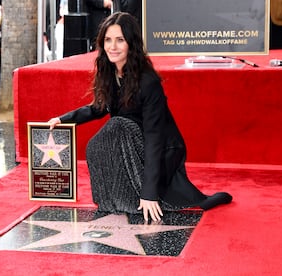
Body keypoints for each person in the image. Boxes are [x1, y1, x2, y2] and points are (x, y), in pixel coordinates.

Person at [47, 12, 232, 221]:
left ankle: (139, 196)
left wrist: (149, 193)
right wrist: (63, 119)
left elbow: (155, 136)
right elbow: (100, 106)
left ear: (131, 43)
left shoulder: (147, 81)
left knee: (116, 126)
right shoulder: (110, 72)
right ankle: (114, 200)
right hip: (132, 141)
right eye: (108, 40)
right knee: (97, 144)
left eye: (120, 40)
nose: (112, 47)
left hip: (162, 149)